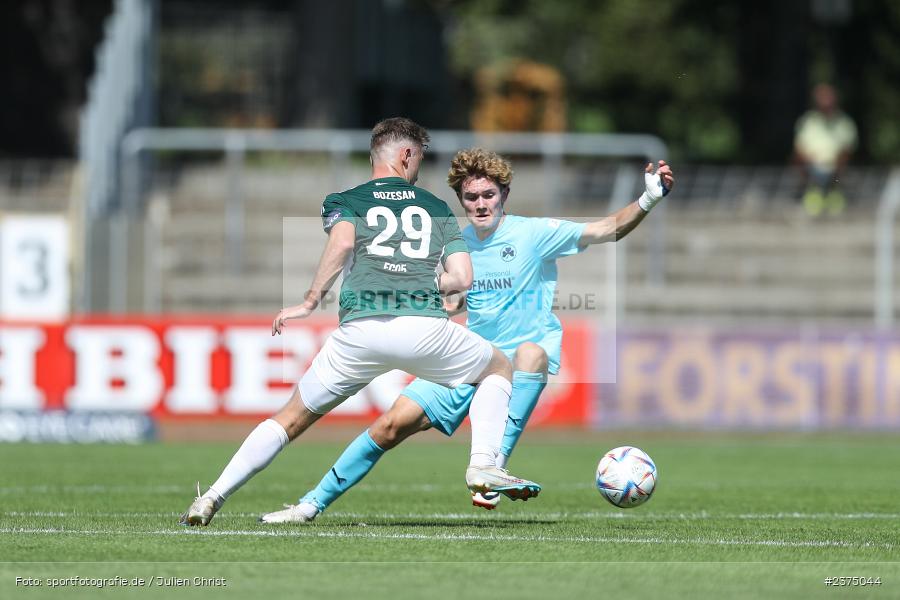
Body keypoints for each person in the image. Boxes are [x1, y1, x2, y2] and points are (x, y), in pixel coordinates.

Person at [257, 148, 674, 523]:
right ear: (461, 200)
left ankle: (491, 469)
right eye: (471, 197)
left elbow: (608, 229)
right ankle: (310, 505)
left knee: (529, 353)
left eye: (488, 195)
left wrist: (649, 198)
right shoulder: (454, 243)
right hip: (471, 358)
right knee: (388, 426)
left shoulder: (535, 233)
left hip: (513, 361)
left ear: (504, 194)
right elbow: (454, 302)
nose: (480, 204)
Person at [179, 119, 540, 526]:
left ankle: (212, 496)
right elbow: (462, 279)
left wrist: (309, 301)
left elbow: (344, 242)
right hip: (423, 330)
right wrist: (419, 279)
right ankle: (483, 464)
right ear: (406, 154)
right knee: (499, 367)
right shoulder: (437, 207)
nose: (418, 165)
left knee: (291, 418)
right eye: (418, 156)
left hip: (359, 334)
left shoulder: (344, 199)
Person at [793, 83, 857, 217]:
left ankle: (833, 191)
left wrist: (835, 169)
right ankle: (813, 191)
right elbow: (799, 150)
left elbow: (848, 150)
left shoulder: (844, 123)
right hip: (812, 171)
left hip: (837, 172)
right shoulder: (808, 122)